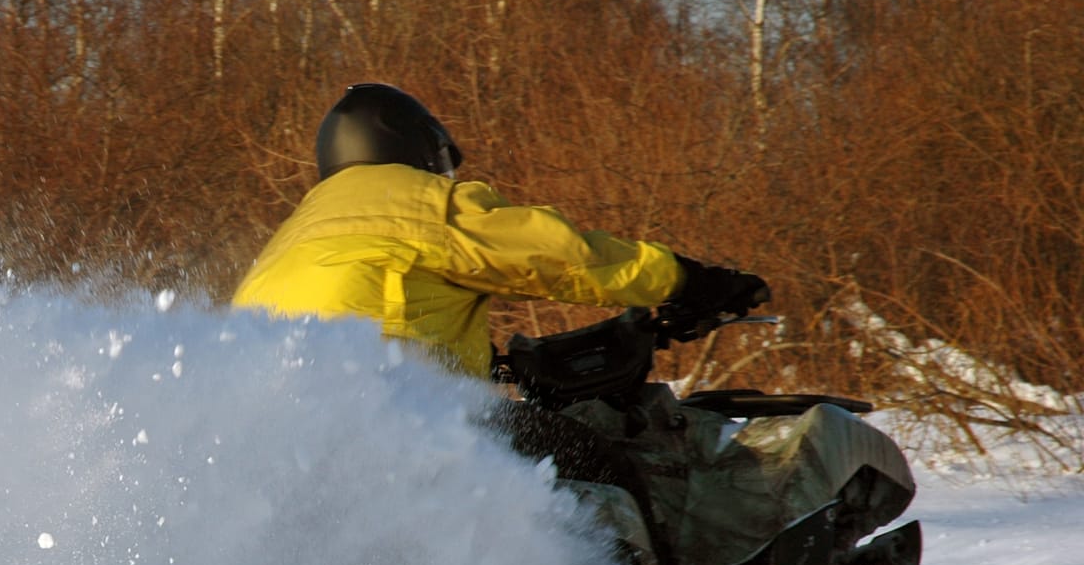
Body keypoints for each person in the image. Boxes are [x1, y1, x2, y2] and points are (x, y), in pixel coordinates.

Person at [232, 83, 767, 376]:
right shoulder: (420, 206)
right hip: (387, 416)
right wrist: (686, 281)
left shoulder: (287, 242)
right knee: (580, 476)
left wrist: (488, 364)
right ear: (415, 148)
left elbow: (382, 307)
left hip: (289, 438)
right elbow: (563, 256)